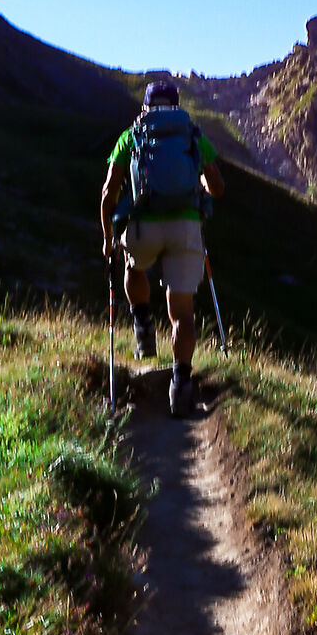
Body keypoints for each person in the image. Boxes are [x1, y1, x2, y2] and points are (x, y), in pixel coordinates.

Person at [100, 78, 225, 416]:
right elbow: (217, 186)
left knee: (133, 267)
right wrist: (198, 184)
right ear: (177, 103)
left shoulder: (132, 136)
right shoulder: (192, 134)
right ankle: (181, 382)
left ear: (146, 105)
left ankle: (142, 325)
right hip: (185, 227)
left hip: (144, 225)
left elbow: (109, 192)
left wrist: (109, 238)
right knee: (182, 312)